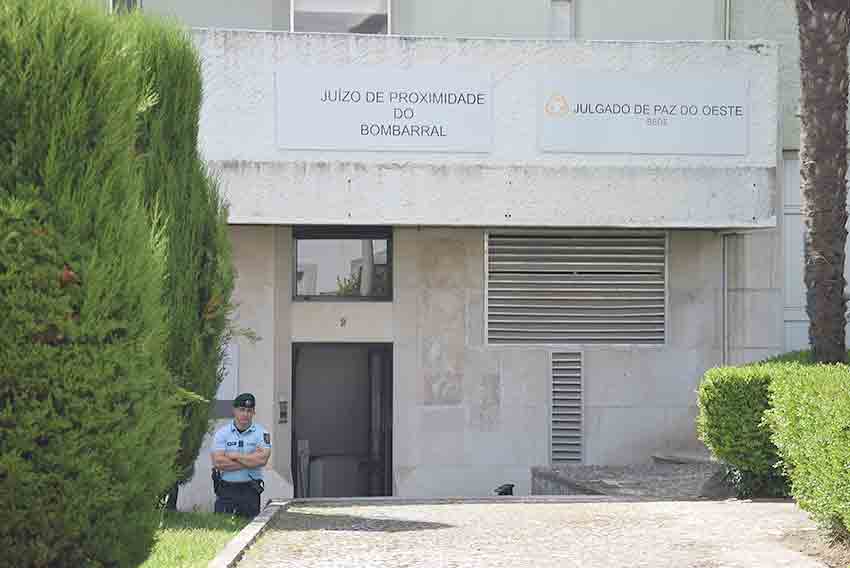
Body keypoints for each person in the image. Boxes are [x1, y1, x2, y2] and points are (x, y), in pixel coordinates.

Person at [211, 392, 272, 517]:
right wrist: (250, 461)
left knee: (248, 527)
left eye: (249, 410)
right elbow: (218, 462)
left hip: (250, 490)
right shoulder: (222, 433)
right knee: (221, 527)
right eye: (242, 410)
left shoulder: (262, 434)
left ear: (254, 412)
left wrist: (235, 456)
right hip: (226, 489)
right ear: (234, 410)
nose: (245, 414)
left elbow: (262, 460)